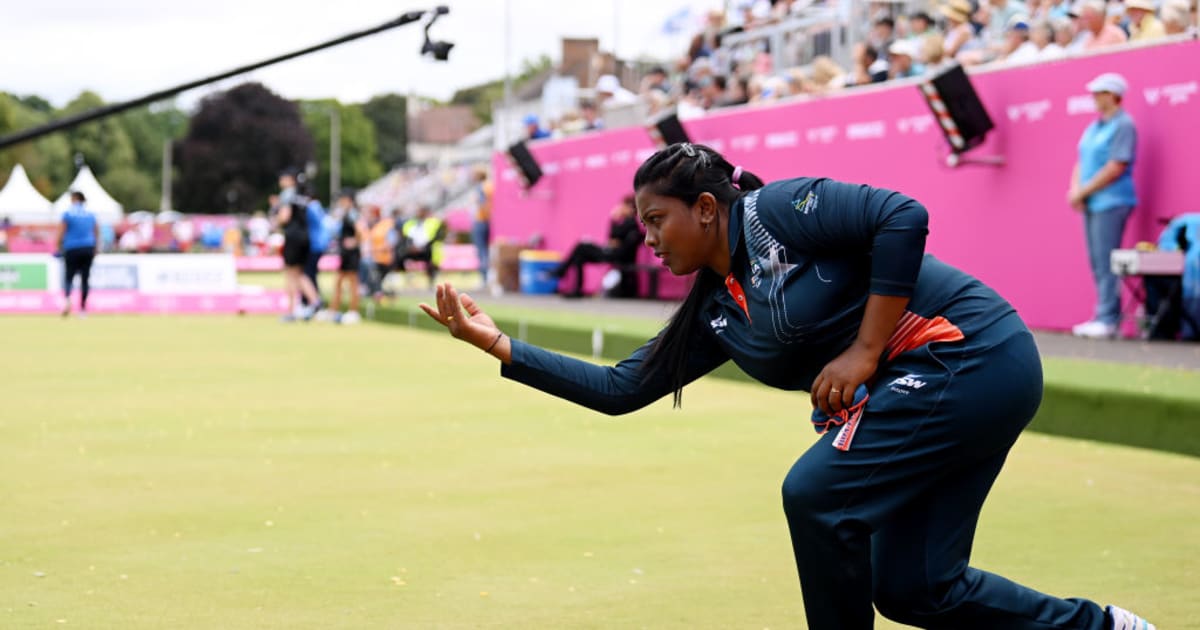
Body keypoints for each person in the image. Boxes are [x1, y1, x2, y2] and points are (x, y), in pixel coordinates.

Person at [419, 142, 1156, 630]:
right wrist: (499, 346)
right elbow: (621, 388)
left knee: (815, 493)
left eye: (657, 220)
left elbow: (903, 217)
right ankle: (1104, 627)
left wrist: (865, 352)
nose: (647, 237)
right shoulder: (717, 308)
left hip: (972, 355)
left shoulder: (775, 213)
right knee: (914, 589)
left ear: (706, 208)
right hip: (950, 385)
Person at [1069, 73, 1137, 339]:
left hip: (1112, 201)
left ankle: (1108, 319)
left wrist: (1082, 191)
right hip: (1091, 202)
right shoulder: (1094, 126)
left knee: (1106, 260)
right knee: (1097, 261)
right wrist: (1076, 190)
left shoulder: (1124, 124)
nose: (1094, 98)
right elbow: (1081, 161)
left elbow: (1116, 166)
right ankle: (1102, 316)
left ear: (1113, 96)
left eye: (1099, 93)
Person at [551, 195, 643, 298]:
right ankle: (575, 287)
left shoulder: (630, 224)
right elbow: (613, 239)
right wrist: (614, 241)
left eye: (624, 205)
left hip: (615, 255)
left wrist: (613, 220)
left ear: (630, 208)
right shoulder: (626, 223)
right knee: (579, 256)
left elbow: (615, 238)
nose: (621, 207)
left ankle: (563, 272)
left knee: (582, 247)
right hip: (612, 252)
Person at [55, 191, 99, 317]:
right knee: (85, 279)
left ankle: (68, 299)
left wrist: (58, 246)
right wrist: (96, 248)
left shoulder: (68, 213)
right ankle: (83, 309)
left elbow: (61, 231)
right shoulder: (90, 214)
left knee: (69, 277)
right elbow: (96, 231)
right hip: (88, 247)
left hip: (72, 248)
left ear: (74, 199)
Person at [276, 201, 321, 322]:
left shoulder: (289, 199)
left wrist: (278, 219)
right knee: (300, 274)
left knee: (291, 275)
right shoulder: (304, 202)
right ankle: (315, 301)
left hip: (293, 240)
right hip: (305, 240)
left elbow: (283, 218)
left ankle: (291, 311)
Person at [330, 192, 364, 323]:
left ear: (349, 200)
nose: (340, 202)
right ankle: (334, 309)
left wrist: (355, 241)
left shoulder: (352, 213)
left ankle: (353, 311)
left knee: (352, 282)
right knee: (339, 281)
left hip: (351, 254)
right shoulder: (347, 213)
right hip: (346, 253)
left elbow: (360, 230)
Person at [397, 205, 446, 287]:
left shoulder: (435, 223)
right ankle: (405, 278)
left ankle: (431, 280)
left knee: (431, 261)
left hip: (428, 249)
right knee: (400, 255)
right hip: (413, 249)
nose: (419, 213)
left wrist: (423, 247)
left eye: (421, 211)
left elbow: (438, 236)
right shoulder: (410, 223)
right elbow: (405, 237)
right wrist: (411, 246)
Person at [471, 166, 493, 288]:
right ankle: (487, 276)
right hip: (487, 220)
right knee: (485, 250)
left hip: (481, 220)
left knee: (482, 251)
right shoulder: (489, 186)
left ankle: (485, 278)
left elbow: (482, 204)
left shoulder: (481, 187)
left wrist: (484, 216)